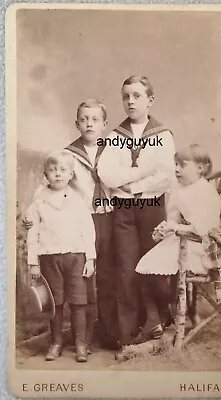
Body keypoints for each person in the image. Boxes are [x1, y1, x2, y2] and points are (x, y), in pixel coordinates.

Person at [98, 76, 176, 353]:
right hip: (124, 210)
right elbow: (105, 172)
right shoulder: (115, 136)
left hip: (152, 207)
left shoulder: (162, 134)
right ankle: (127, 331)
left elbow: (165, 175)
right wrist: (139, 176)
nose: (130, 101)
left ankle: (157, 319)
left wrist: (133, 184)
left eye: (136, 96)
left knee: (155, 263)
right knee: (127, 267)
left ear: (150, 100)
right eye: (125, 97)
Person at [134, 144, 221, 343]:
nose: (176, 169)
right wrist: (165, 229)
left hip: (201, 247)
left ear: (201, 168)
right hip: (181, 241)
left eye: (182, 165)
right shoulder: (180, 188)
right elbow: (174, 217)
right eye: (175, 165)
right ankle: (155, 318)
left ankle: (163, 316)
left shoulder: (206, 192)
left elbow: (202, 228)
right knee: (144, 266)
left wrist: (175, 229)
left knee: (150, 266)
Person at [26, 151, 96, 362]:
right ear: (45, 174)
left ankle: (80, 344)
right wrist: (33, 262)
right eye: (53, 170)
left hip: (76, 258)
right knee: (54, 303)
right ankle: (55, 342)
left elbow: (88, 230)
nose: (58, 174)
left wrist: (90, 258)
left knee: (78, 302)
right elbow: (32, 232)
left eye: (63, 170)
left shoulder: (78, 201)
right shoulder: (38, 203)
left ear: (71, 174)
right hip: (49, 258)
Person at [64, 99, 118, 350]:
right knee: (82, 276)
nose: (89, 124)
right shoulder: (67, 155)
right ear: (77, 123)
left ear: (104, 124)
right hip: (82, 221)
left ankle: (108, 331)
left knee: (108, 274)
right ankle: (81, 334)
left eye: (95, 119)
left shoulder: (114, 151)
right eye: (84, 119)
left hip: (109, 217)